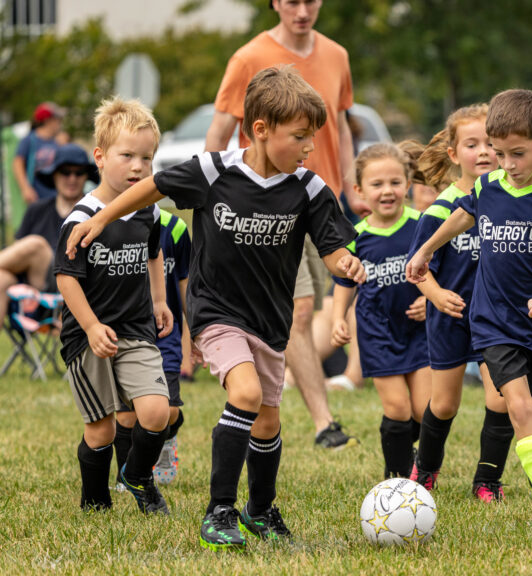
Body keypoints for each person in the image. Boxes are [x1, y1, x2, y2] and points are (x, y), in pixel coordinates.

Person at [65, 66, 364, 550]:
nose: (310, 147)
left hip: (270, 321)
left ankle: (260, 510)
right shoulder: (214, 171)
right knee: (244, 394)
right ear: (261, 130)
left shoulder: (309, 189)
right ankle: (218, 511)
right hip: (216, 312)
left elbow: (332, 250)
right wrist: (103, 216)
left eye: (313, 138)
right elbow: (155, 186)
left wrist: (346, 263)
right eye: (301, 137)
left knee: (268, 420)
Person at [407, 89, 532, 533]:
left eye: (517, 154)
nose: (507, 164)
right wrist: (425, 251)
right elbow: (463, 214)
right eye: (500, 153)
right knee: (518, 408)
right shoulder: (488, 185)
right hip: (493, 322)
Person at [205, 0, 362, 450]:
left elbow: (344, 127)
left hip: (321, 202)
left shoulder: (337, 55)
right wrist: (214, 201)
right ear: (275, 3)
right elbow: (218, 135)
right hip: (267, 207)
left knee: (308, 313)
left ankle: (278, 389)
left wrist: (350, 185)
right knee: (297, 311)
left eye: (310, 0)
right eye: (291, 1)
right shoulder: (248, 57)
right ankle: (321, 423)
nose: (302, 9)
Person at [54, 97, 173, 515]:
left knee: (157, 412)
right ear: (101, 158)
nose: (139, 167)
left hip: (136, 328)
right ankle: (95, 500)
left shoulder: (149, 210)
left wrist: (159, 299)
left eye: (147, 157)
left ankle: (138, 476)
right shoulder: (82, 216)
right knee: (101, 429)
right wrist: (88, 327)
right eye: (128, 156)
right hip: (88, 338)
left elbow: (155, 253)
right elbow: (66, 276)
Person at [407, 104, 515, 502]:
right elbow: (417, 267)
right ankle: (426, 470)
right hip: (450, 319)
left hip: (498, 320)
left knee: (500, 398)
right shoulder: (440, 210)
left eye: (491, 143)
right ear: (454, 154)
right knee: (446, 403)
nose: (484, 151)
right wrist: (435, 295)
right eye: (473, 144)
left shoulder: (512, 203)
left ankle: (487, 480)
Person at [332, 142, 431, 479]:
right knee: (398, 409)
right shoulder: (356, 236)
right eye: (377, 184)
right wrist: (337, 319)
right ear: (359, 191)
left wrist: (431, 299)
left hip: (421, 334)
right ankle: (397, 478)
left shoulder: (423, 226)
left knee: (424, 410)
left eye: (395, 182)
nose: (387, 191)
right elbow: (344, 284)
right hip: (379, 334)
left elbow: (444, 272)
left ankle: (409, 451)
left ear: (408, 183)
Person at [112, 209, 191, 487]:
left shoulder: (176, 228)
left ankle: (168, 437)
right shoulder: (109, 220)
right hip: (127, 333)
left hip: (164, 334)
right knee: (126, 415)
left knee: (167, 411)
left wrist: (194, 333)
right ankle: (127, 477)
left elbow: (184, 283)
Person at [0, 144, 94, 315]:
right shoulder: (37, 209)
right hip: (31, 294)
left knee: (37, 245)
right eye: (65, 172)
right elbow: (17, 258)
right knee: (2, 279)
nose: (72, 178)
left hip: (70, 288)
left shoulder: (93, 213)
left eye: (78, 172)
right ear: (54, 175)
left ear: (86, 176)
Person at [13, 102, 65, 204]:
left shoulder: (57, 142)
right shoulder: (29, 140)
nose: (60, 123)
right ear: (48, 120)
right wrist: (25, 189)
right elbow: (17, 164)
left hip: (56, 196)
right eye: (58, 119)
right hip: (37, 198)